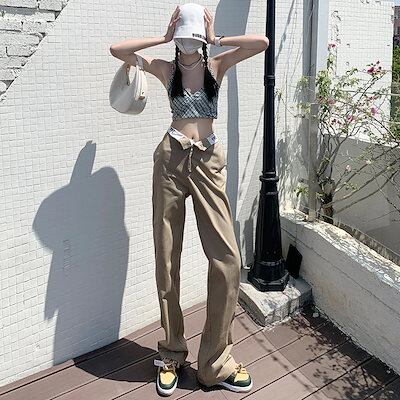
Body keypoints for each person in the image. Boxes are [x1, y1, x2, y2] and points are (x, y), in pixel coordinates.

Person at [110, 3, 269, 396]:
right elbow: (118, 50)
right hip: (170, 160)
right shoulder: (167, 70)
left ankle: (215, 362)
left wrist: (217, 38)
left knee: (228, 259)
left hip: (209, 161)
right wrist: (164, 37)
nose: (188, 43)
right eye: (183, 37)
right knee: (167, 256)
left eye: (192, 36)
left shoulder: (216, 66)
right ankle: (171, 352)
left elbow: (261, 43)